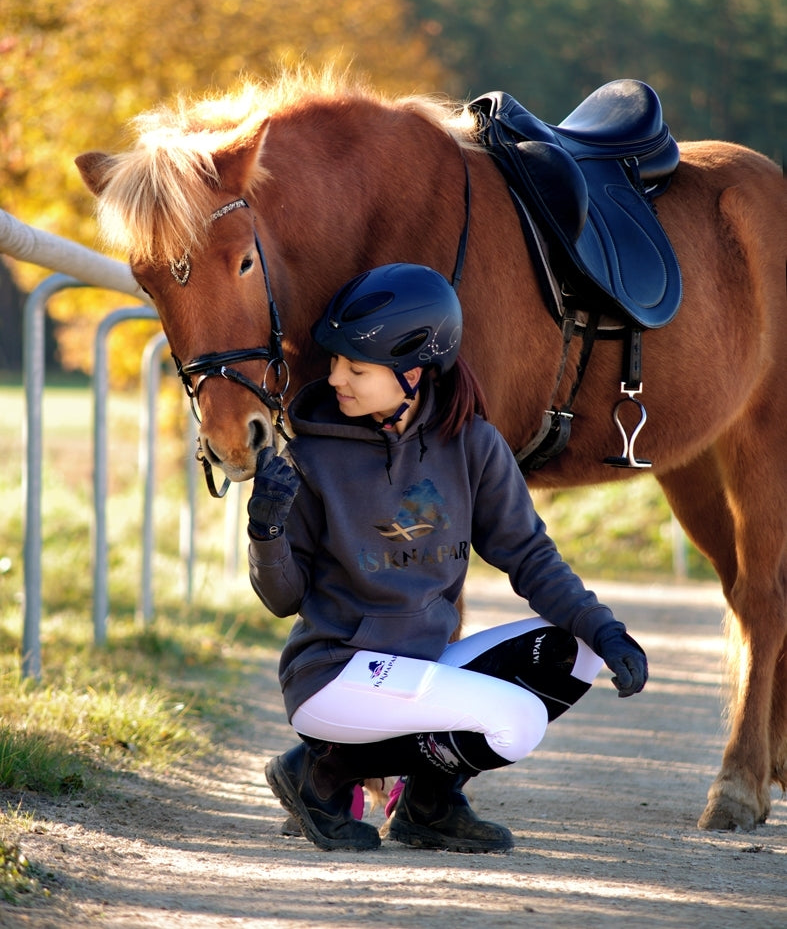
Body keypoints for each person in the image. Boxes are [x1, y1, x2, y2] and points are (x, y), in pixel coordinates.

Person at [247, 263, 648, 854]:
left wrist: (606, 629)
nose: (336, 378)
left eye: (356, 368)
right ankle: (321, 771)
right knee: (517, 723)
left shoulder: (474, 446)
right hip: (337, 677)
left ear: (413, 373)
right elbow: (283, 599)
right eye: (334, 362)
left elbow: (530, 556)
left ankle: (428, 805)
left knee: (578, 649)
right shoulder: (309, 456)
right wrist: (266, 529)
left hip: (424, 668)